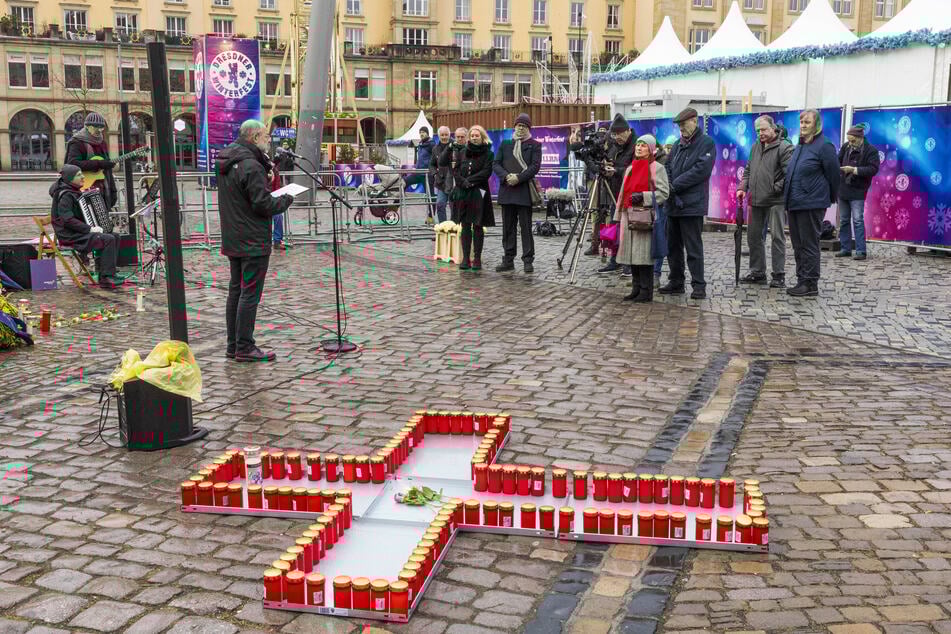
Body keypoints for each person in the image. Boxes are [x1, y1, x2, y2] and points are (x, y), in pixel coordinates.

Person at [216, 120, 295, 362]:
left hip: (234, 236)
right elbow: (262, 203)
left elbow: (246, 195)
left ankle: (234, 345)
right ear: (254, 137)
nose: (269, 140)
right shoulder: (251, 165)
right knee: (249, 294)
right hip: (251, 239)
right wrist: (286, 199)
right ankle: (244, 346)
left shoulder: (230, 160)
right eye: (265, 136)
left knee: (236, 292)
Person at [783, 109, 840, 298]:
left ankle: (810, 282)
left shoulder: (825, 146)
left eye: (807, 122)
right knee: (798, 244)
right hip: (795, 202)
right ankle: (802, 279)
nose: (803, 125)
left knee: (809, 244)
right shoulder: (800, 145)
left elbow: (834, 175)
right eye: (801, 122)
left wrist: (827, 198)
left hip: (811, 202)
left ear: (816, 125)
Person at [661, 107, 715, 300]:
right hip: (673, 204)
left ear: (694, 121)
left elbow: (701, 170)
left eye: (683, 125)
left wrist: (674, 185)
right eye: (679, 126)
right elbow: (667, 166)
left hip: (692, 205)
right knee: (672, 246)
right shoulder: (677, 145)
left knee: (693, 248)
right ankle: (676, 281)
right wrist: (668, 184)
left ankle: (698, 285)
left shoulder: (706, 143)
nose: (681, 129)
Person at [737, 114, 794, 288]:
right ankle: (757, 272)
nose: (760, 133)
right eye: (757, 130)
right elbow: (748, 170)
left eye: (763, 129)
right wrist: (742, 187)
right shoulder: (756, 147)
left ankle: (778, 274)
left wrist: (774, 188)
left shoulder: (784, 147)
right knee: (753, 236)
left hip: (775, 200)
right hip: (755, 199)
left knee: (777, 237)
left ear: (773, 128)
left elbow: (789, 175)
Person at [615, 134, 670, 303]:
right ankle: (636, 288)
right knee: (632, 254)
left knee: (644, 255)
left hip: (645, 218)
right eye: (638, 145)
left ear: (651, 149)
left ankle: (646, 291)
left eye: (643, 145)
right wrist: (618, 214)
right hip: (629, 215)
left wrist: (644, 196)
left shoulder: (657, 168)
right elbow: (623, 192)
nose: (639, 148)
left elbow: (663, 193)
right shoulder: (630, 168)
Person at [49, 164, 120, 290]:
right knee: (108, 239)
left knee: (114, 236)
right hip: (70, 235)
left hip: (77, 231)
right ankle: (105, 278)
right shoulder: (65, 195)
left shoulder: (73, 191)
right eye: (78, 175)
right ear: (70, 179)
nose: (83, 177)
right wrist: (89, 229)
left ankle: (107, 271)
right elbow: (67, 220)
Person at [493, 113, 542, 273]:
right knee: (508, 228)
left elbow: (535, 166)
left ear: (528, 128)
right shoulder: (505, 144)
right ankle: (508, 259)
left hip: (523, 190)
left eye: (524, 126)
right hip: (507, 189)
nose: (521, 128)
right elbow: (496, 163)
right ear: (514, 126)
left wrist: (519, 178)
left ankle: (528, 260)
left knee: (526, 228)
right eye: (519, 125)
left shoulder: (535, 145)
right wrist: (506, 176)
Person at [451, 125, 495, 272]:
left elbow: (486, 172)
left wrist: (470, 181)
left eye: (477, 135)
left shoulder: (488, 154)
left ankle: (477, 258)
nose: (474, 137)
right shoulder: (462, 152)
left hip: (479, 191)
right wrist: (463, 182)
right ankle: (465, 258)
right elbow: (456, 170)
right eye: (472, 135)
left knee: (477, 225)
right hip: (463, 191)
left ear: (482, 137)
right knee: (465, 225)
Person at [596, 114, 636, 276]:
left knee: (627, 230)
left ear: (627, 131)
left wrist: (617, 171)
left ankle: (627, 262)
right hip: (614, 192)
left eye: (619, 134)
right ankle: (614, 260)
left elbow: (636, 169)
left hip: (630, 194)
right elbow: (611, 160)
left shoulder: (636, 145)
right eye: (614, 135)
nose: (617, 138)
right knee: (613, 227)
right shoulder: (613, 145)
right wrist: (606, 167)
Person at [837, 124, 880, 261]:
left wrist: (854, 170)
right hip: (843, 188)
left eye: (853, 140)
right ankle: (845, 248)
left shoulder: (871, 150)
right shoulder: (846, 147)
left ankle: (861, 251)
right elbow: (838, 161)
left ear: (860, 138)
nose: (850, 143)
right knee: (843, 220)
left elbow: (873, 169)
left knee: (857, 220)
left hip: (858, 190)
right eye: (849, 140)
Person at [65, 112, 117, 209]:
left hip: (103, 190)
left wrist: (113, 191)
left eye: (101, 128)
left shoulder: (102, 143)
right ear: (87, 126)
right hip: (83, 190)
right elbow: (72, 164)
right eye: (95, 127)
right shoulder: (77, 142)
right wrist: (99, 164)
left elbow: (106, 171)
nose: (99, 130)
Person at [652, 144, 670, 288]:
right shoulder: (638, 162)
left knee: (658, 238)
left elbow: (663, 187)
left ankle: (656, 273)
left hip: (659, 205)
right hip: (643, 206)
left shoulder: (661, 162)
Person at [430, 126, 454, 223]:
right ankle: (443, 228)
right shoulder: (435, 148)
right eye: (442, 135)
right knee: (440, 205)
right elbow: (431, 164)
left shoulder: (455, 146)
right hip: (441, 182)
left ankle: (454, 228)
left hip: (454, 182)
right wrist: (435, 174)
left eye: (446, 135)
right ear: (439, 136)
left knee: (454, 207)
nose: (444, 137)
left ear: (449, 134)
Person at [414, 127, 436, 222]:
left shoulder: (431, 144)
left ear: (427, 133)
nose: (421, 134)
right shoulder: (420, 144)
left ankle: (431, 217)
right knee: (404, 182)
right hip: (418, 172)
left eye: (423, 132)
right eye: (420, 132)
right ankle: (394, 206)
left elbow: (436, 158)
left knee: (430, 196)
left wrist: (432, 169)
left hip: (427, 174)